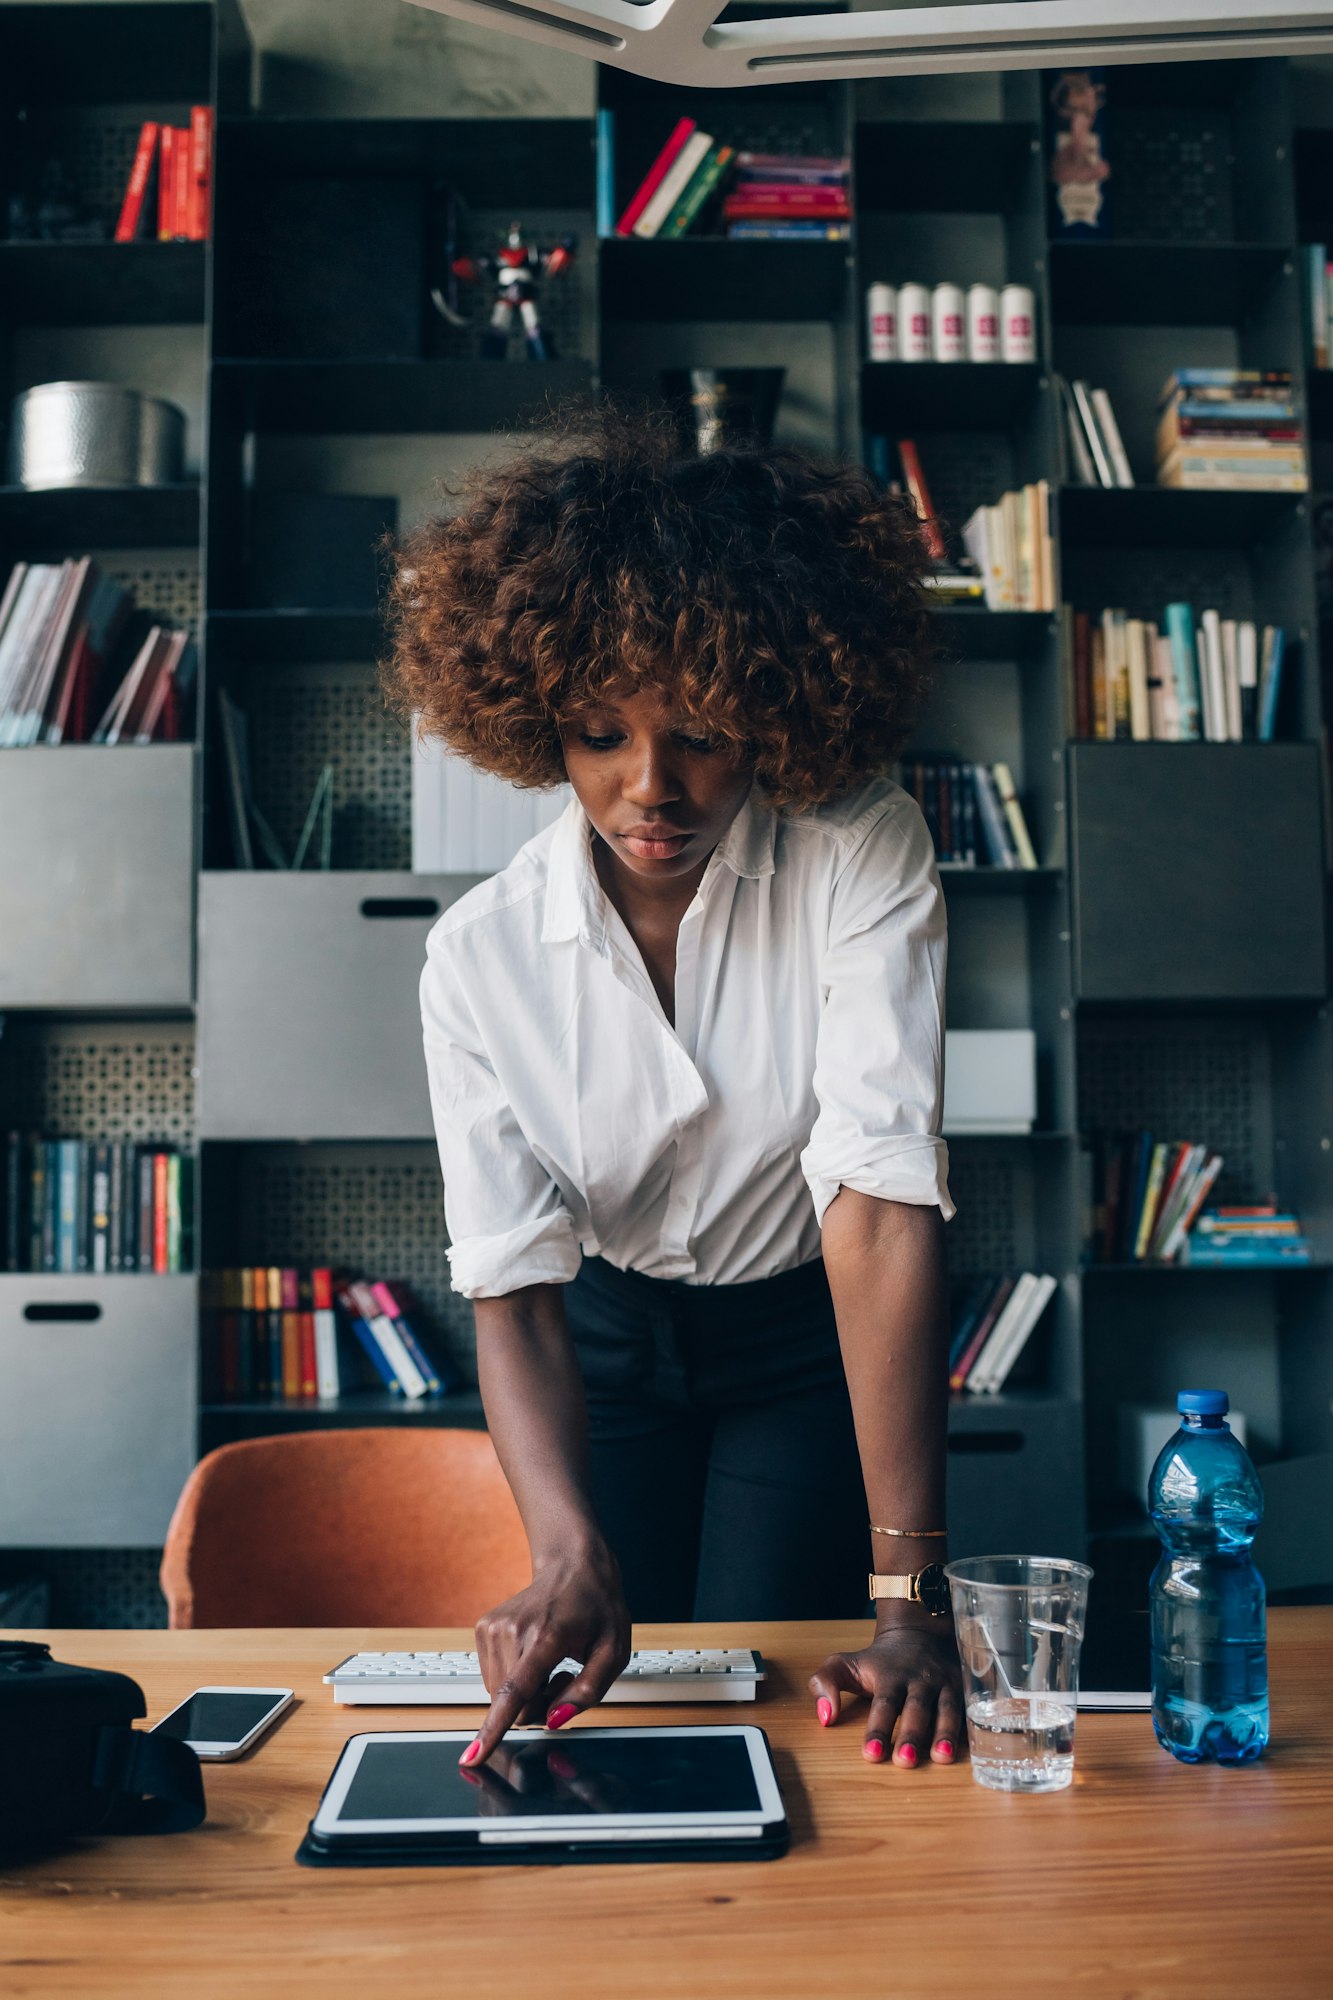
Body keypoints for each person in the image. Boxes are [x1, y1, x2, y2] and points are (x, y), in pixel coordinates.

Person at [384, 401, 962, 1774]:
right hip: (600, 1342)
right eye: (601, 735)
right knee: (614, 1696)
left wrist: (910, 1605)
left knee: (778, 1702)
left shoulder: (859, 848)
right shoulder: (477, 957)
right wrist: (562, 1546)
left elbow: (878, 1199)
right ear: (539, 726)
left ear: (771, 713)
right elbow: (512, 1283)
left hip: (802, 1337)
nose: (652, 788)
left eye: (700, 733)